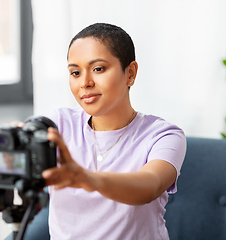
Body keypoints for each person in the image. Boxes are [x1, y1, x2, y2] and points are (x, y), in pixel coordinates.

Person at [15, 23, 186, 240]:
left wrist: (87, 179)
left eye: (98, 69)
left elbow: (151, 185)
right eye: (75, 72)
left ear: (130, 73)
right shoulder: (59, 124)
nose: (84, 83)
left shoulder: (164, 135)